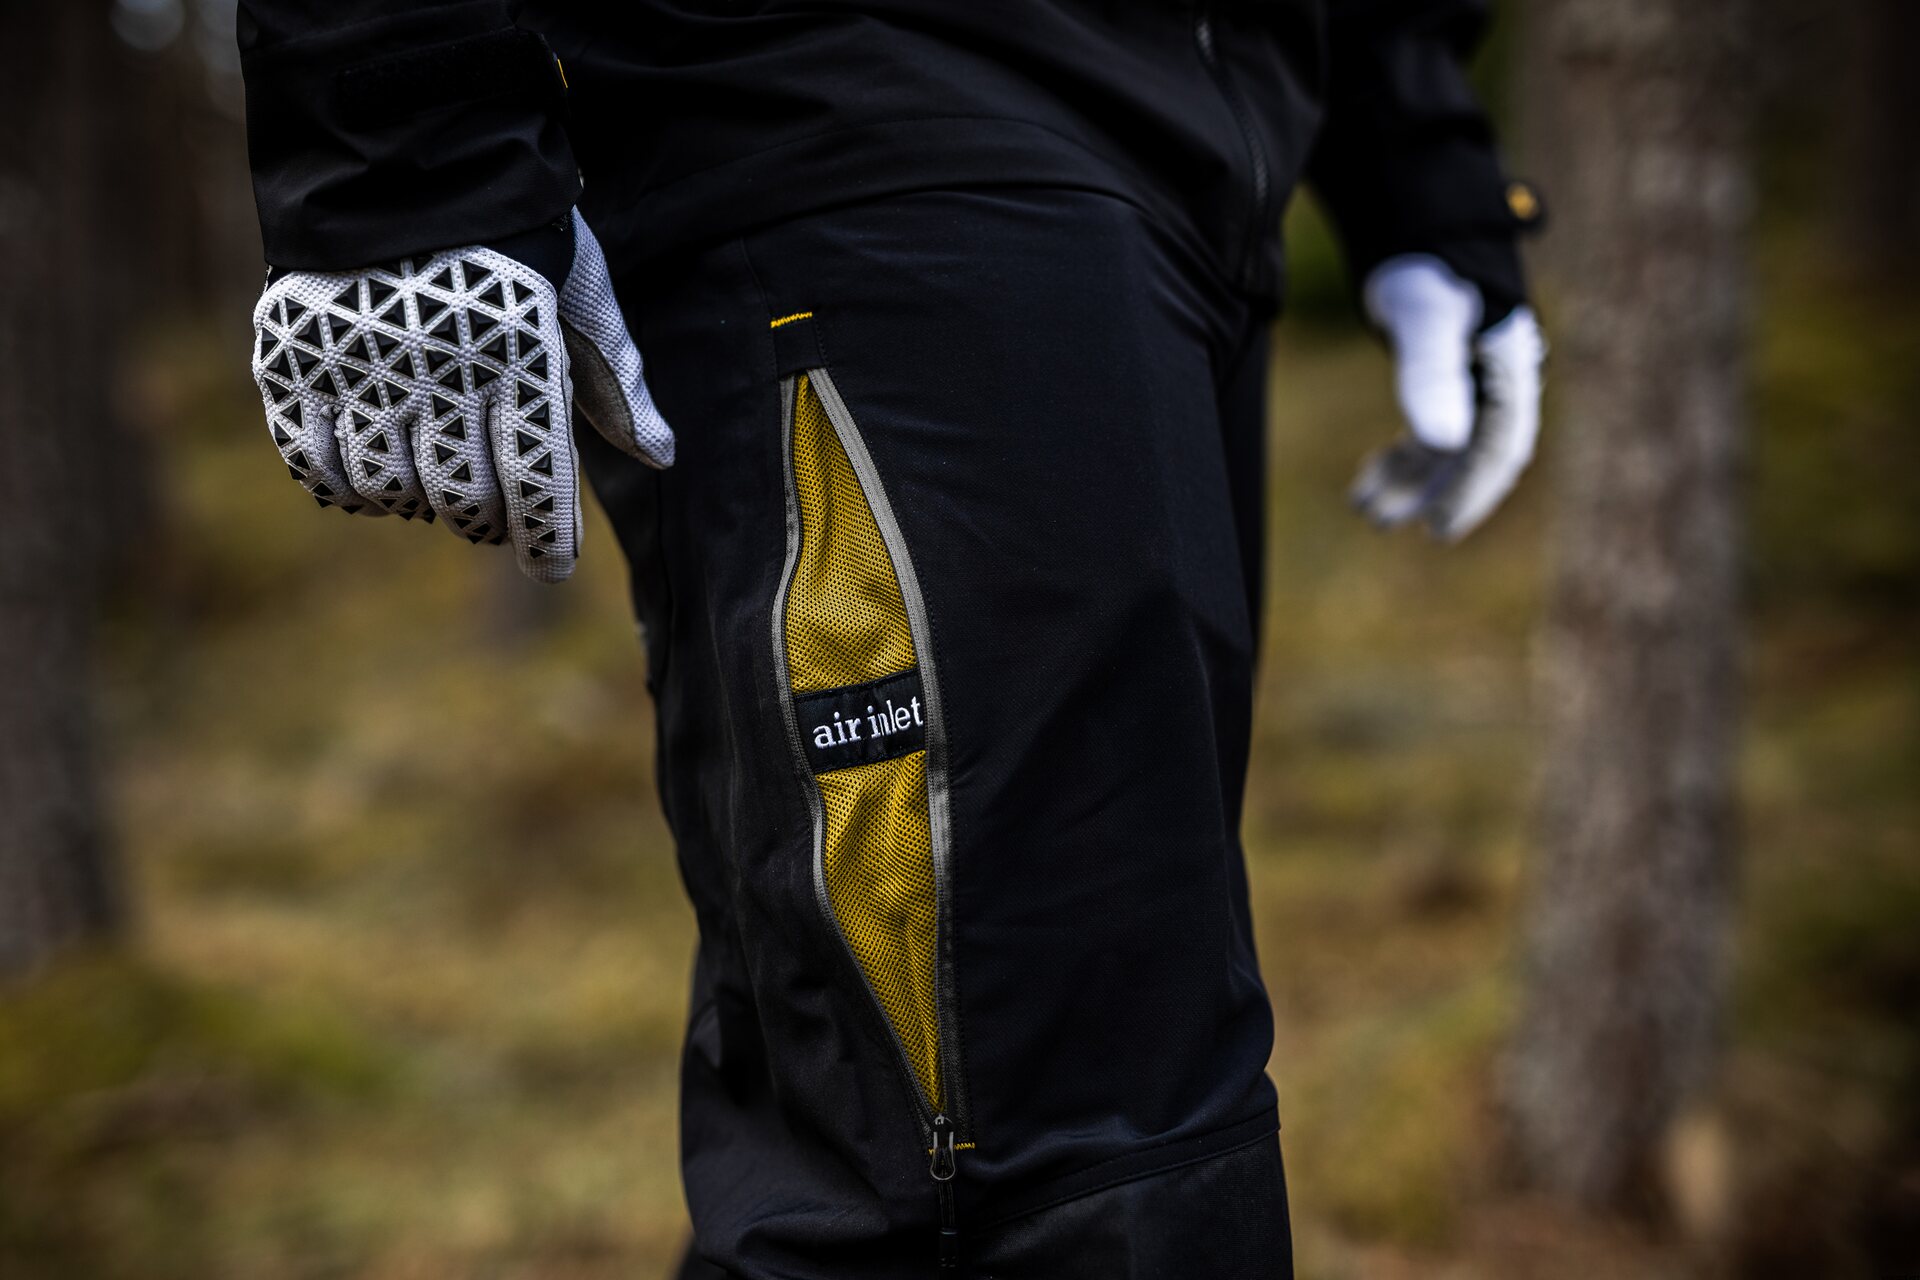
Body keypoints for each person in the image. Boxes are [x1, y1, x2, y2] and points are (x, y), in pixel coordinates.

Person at [236, 2, 1545, 1275]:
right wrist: (396, 131)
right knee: (1022, 1164)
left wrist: (1412, 139)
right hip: (837, 111)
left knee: (1075, 1118)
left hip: (1190, 166)